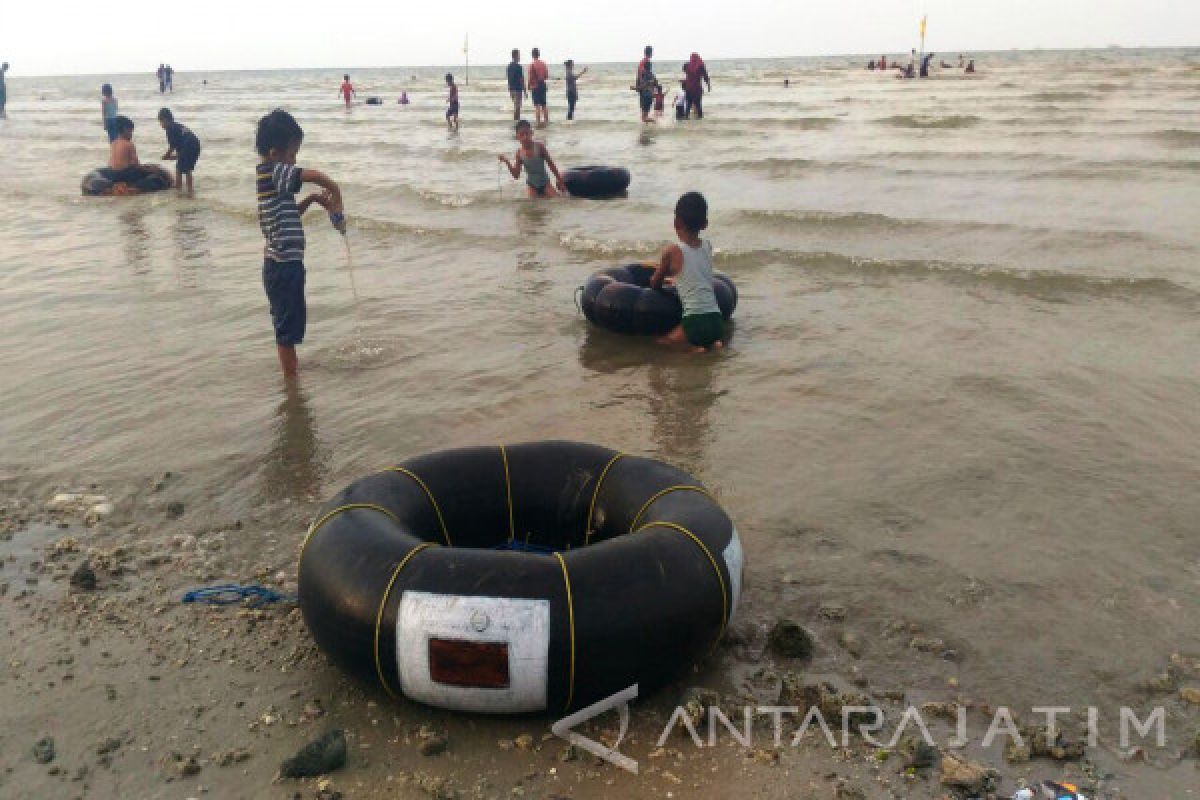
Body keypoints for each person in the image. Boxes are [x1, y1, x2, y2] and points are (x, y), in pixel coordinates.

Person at [254, 109, 344, 377]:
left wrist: (314, 200)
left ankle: (291, 372)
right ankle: (291, 382)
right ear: (275, 153)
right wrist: (333, 186)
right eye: (292, 154)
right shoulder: (274, 171)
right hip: (282, 268)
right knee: (286, 330)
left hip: (281, 266)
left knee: (289, 326)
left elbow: (288, 214)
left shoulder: (270, 179)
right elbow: (310, 175)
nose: (294, 161)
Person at [649, 192, 724, 353]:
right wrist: (674, 280)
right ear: (705, 224)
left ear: (676, 223)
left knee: (662, 342)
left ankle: (693, 349)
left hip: (695, 322)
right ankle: (714, 344)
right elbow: (693, 274)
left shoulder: (672, 251)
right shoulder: (707, 246)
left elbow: (655, 284)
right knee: (709, 339)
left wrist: (660, 275)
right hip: (717, 320)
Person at [498, 119, 565, 198]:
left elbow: (551, 164)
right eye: (522, 135)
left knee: (558, 200)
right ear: (517, 137)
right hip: (532, 185)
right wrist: (507, 161)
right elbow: (516, 175)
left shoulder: (539, 147)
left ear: (531, 133)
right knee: (532, 205)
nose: (525, 137)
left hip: (545, 183)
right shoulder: (519, 153)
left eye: (527, 134)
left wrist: (560, 181)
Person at [157, 107, 201, 194]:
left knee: (179, 169)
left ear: (166, 120)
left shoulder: (169, 129)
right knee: (187, 169)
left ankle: (179, 188)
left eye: (161, 122)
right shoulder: (177, 126)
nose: (161, 125)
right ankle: (190, 190)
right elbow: (180, 150)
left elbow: (173, 146)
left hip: (188, 145)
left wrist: (166, 155)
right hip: (195, 145)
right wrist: (174, 157)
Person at [682, 52, 711, 119]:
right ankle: (700, 119)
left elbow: (684, 70)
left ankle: (686, 119)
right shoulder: (701, 66)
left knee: (688, 105)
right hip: (697, 89)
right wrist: (708, 85)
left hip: (688, 88)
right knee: (698, 105)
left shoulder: (687, 65)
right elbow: (705, 76)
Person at [527, 48, 549, 127]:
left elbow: (530, 77)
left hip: (535, 86)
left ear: (532, 55)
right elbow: (546, 76)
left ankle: (538, 123)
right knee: (544, 105)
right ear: (538, 54)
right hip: (542, 85)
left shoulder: (531, 65)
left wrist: (528, 86)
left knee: (537, 106)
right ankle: (546, 122)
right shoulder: (543, 64)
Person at [635, 45, 656, 123]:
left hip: (643, 90)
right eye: (652, 52)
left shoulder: (642, 61)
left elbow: (640, 76)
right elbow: (644, 76)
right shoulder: (646, 62)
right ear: (650, 53)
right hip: (645, 90)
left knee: (644, 115)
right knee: (644, 116)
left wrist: (638, 87)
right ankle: (656, 123)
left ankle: (646, 131)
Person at [506, 49, 526, 121]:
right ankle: (516, 122)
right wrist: (525, 91)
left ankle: (516, 121)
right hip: (517, 89)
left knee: (516, 106)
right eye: (519, 55)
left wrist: (510, 89)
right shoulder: (519, 67)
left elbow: (509, 78)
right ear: (515, 56)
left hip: (511, 89)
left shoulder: (509, 67)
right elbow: (522, 79)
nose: (520, 57)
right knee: (517, 107)